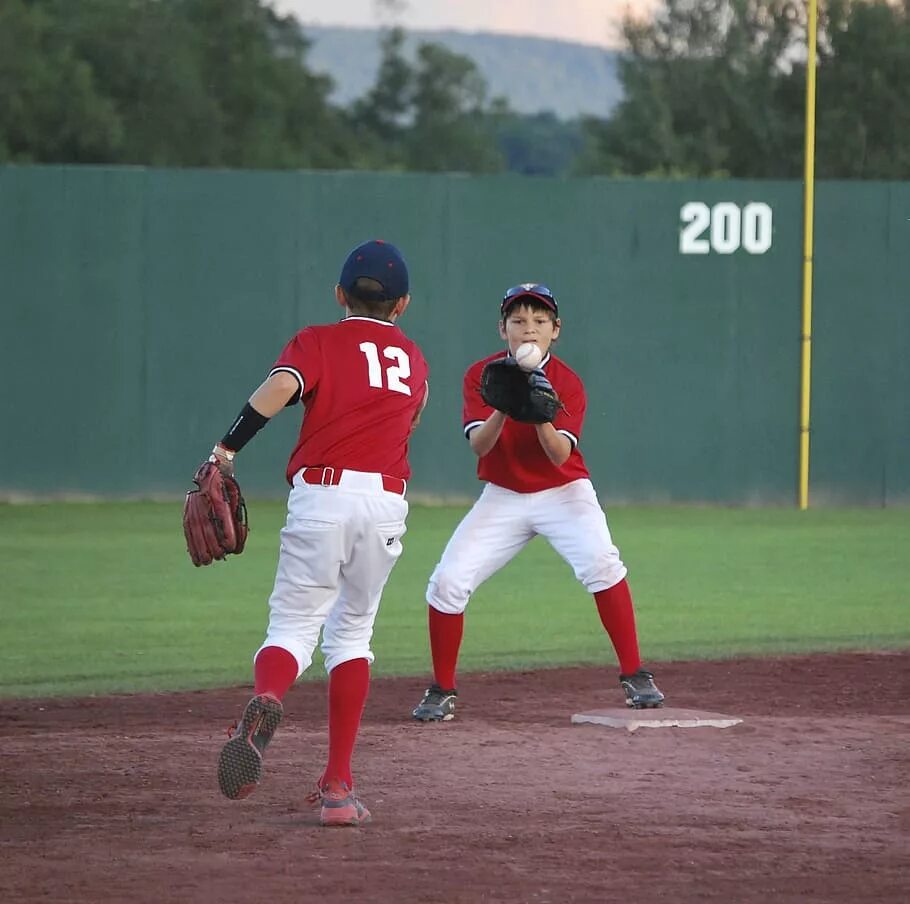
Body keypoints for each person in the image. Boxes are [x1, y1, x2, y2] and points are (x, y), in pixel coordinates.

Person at [205, 240, 429, 826]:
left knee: (294, 625)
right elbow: (411, 419)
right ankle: (336, 789)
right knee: (352, 635)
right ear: (402, 304)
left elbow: (281, 388)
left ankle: (269, 700)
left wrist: (227, 449)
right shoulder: (413, 358)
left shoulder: (319, 340)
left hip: (323, 496)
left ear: (339, 295)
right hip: (385, 500)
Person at [411, 282, 664, 722]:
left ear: (555, 331)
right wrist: (504, 406)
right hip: (504, 496)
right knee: (447, 583)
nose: (529, 329)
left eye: (540, 321)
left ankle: (635, 674)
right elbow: (479, 446)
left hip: (564, 491)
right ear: (502, 329)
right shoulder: (482, 375)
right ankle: (442, 689)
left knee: (603, 565)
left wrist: (540, 413)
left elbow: (559, 454)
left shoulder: (567, 382)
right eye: (519, 321)